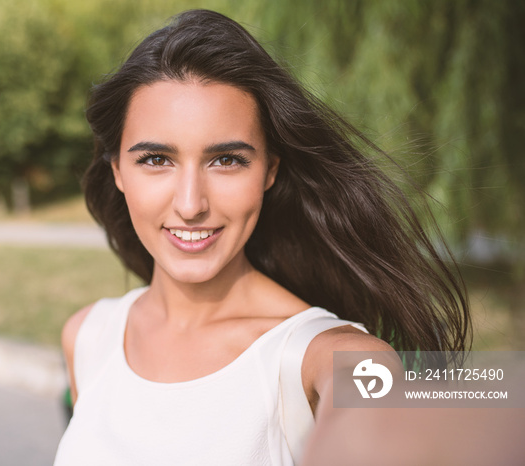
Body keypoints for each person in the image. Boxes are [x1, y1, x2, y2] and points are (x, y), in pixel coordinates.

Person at [53, 9, 471, 466]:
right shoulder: (88, 336)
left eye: (227, 160)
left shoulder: (325, 356)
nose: (191, 205)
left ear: (269, 171)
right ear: (118, 171)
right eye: (156, 159)